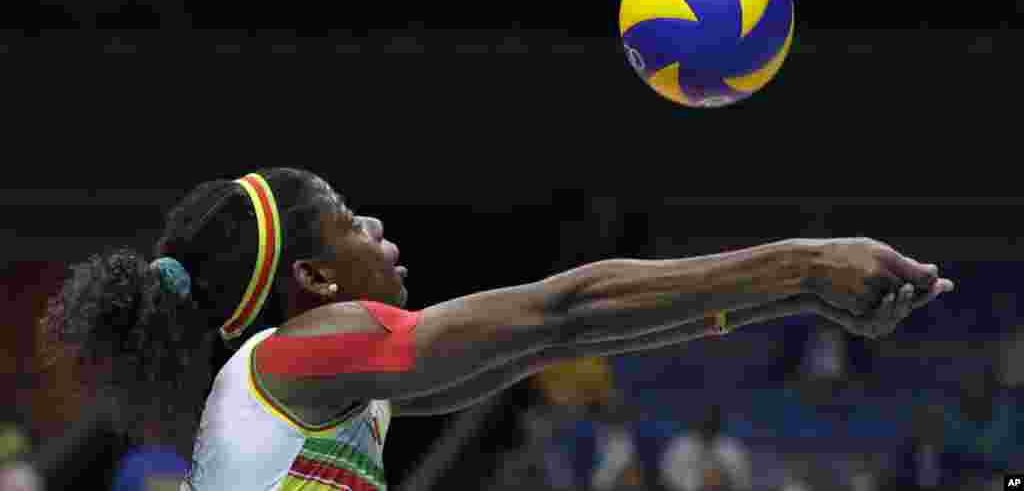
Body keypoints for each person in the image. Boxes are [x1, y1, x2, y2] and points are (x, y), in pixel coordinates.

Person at [40, 168, 955, 491]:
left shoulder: (308, 397)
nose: (383, 234)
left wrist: (793, 299)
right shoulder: (301, 351)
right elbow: (561, 307)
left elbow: (552, 340)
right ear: (312, 278)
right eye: (356, 223)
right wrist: (802, 261)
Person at [659, 404, 751, 491]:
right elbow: (667, 477)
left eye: (711, 421)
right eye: (705, 421)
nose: (707, 425)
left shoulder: (733, 449)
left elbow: (742, 481)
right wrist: (699, 483)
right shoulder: (679, 446)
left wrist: (720, 481)